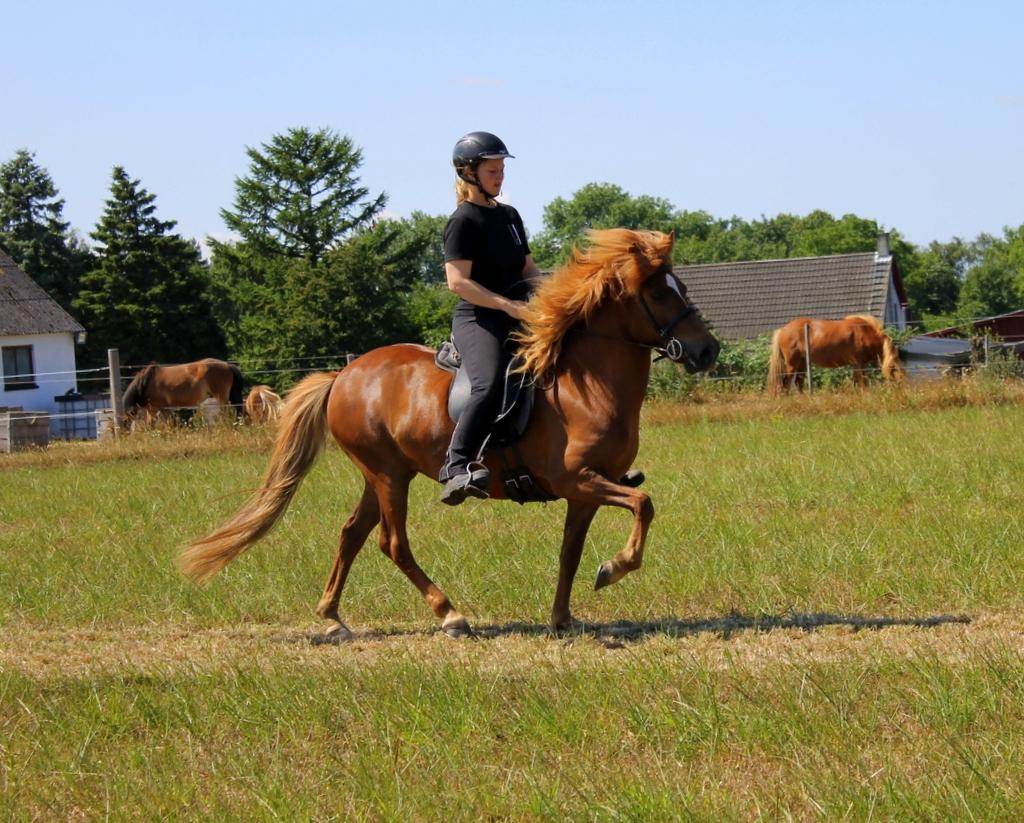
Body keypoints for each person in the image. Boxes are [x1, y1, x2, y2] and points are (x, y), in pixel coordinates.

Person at [439, 131, 544, 505]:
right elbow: (458, 283)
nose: (499, 177)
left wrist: (550, 294)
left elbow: (528, 269)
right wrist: (508, 306)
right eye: (492, 170)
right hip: (478, 320)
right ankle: (457, 466)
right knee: (486, 385)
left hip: (518, 312)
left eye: (501, 170)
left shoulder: (510, 216)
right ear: (469, 173)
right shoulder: (463, 221)